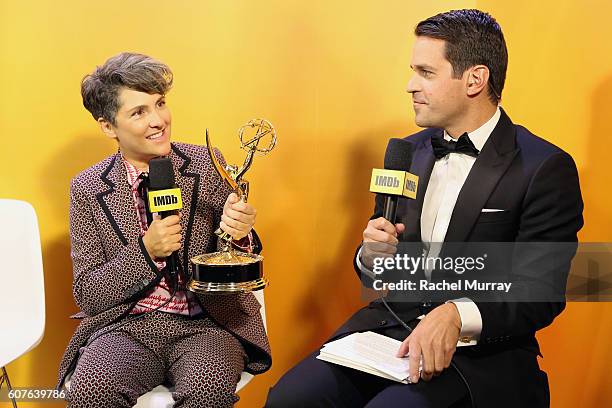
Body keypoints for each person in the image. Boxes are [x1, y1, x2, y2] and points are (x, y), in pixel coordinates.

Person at [266, 9, 583, 408]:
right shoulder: (407, 152)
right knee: (289, 399)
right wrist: (372, 256)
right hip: (389, 331)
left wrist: (456, 313)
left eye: (426, 73)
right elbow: (382, 267)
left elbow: (542, 291)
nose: (410, 85)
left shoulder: (544, 167)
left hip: (481, 355)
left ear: (475, 79)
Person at [56, 52, 271, 408]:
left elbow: (237, 258)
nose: (158, 121)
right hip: (127, 325)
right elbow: (88, 294)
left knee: (208, 388)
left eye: (160, 104)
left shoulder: (205, 163)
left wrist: (241, 230)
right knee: (90, 388)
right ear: (109, 126)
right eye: (139, 112)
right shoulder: (87, 188)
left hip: (207, 323)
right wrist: (147, 252)